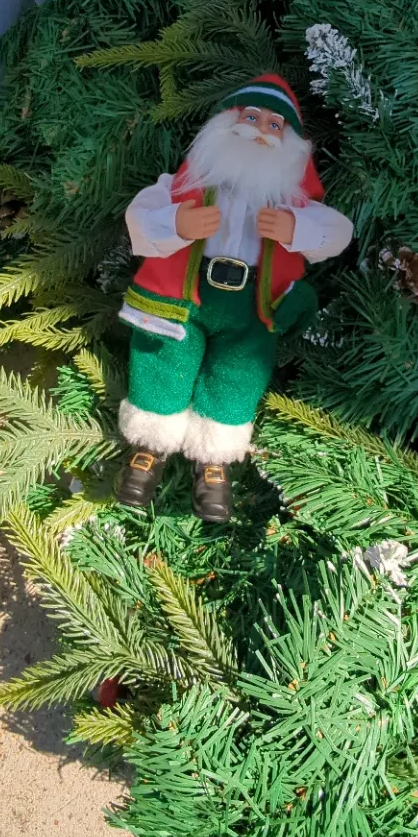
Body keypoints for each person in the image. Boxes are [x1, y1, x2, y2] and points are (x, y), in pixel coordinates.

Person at [117, 75, 353, 522]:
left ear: (290, 144)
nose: (261, 131)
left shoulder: (292, 201)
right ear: (225, 124)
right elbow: (139, 219)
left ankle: (214, 460)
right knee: (162, 360)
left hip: (252, 306)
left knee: (238, 376)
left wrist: (296, 229)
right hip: (183, 299)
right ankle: (149, 447)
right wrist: (177, 223)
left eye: (275, 125)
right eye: (251, 117)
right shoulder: (185, 183)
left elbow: (338, 232)